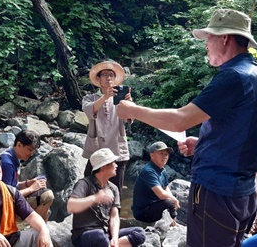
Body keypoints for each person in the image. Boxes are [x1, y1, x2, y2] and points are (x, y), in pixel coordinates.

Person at [116, 9, 257, 246]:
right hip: (243, 192)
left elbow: (181, 119)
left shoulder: (233, 77)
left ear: (225, 38)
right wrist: (203, 145)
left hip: (218, 192)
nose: (205, 44)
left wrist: (132, 110)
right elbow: (243, 133)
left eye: (208, 37)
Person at [67, 148, 146, 247]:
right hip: (85, 235)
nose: (116, 165)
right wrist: (95, 198)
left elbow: (114, 216)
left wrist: (114, 238)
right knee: (99, 236)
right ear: (104, 166)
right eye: (113, 162)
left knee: (140, 233)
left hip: (105, 233)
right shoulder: (84, 183)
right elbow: (70, 206)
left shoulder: (114, 188)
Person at [82, 60, 133, 197]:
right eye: (105, 74)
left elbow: (130, 119)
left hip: (117, 147)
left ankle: (114, 215)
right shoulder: (90, 97)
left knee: (116, 189)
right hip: (97, 148)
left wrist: (130, 104)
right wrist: (105, 97)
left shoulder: (121, 99)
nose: (109, 77)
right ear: (98, 79)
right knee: (89, 183)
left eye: (111, 75)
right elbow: (89, 110)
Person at [0, 130, 54, 222]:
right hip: (2, 210)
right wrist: (31, 189)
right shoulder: (7, 164)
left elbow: (12, 186)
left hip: (10, 201)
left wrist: (28, 183)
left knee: (47, 211)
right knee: (47, 196)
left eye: (34, 151)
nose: (31, 153)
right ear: (19, 144)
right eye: (30, 149)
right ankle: (32, 231)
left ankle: (37, 232)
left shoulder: (12, 157)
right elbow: (6, 196)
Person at [132, 141, 180, 223]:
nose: (164, 157)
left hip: (154, 205)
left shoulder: (162, 170)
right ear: (152, 155)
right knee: (169, 202)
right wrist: (174, 200)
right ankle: (173, 225)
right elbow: (161, 194)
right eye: (161, 153)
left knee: (173, 196)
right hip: (143, 212)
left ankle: (172, 223)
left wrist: (173, 198)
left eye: (166, 154)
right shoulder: (148, 171)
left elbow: (165, 187)